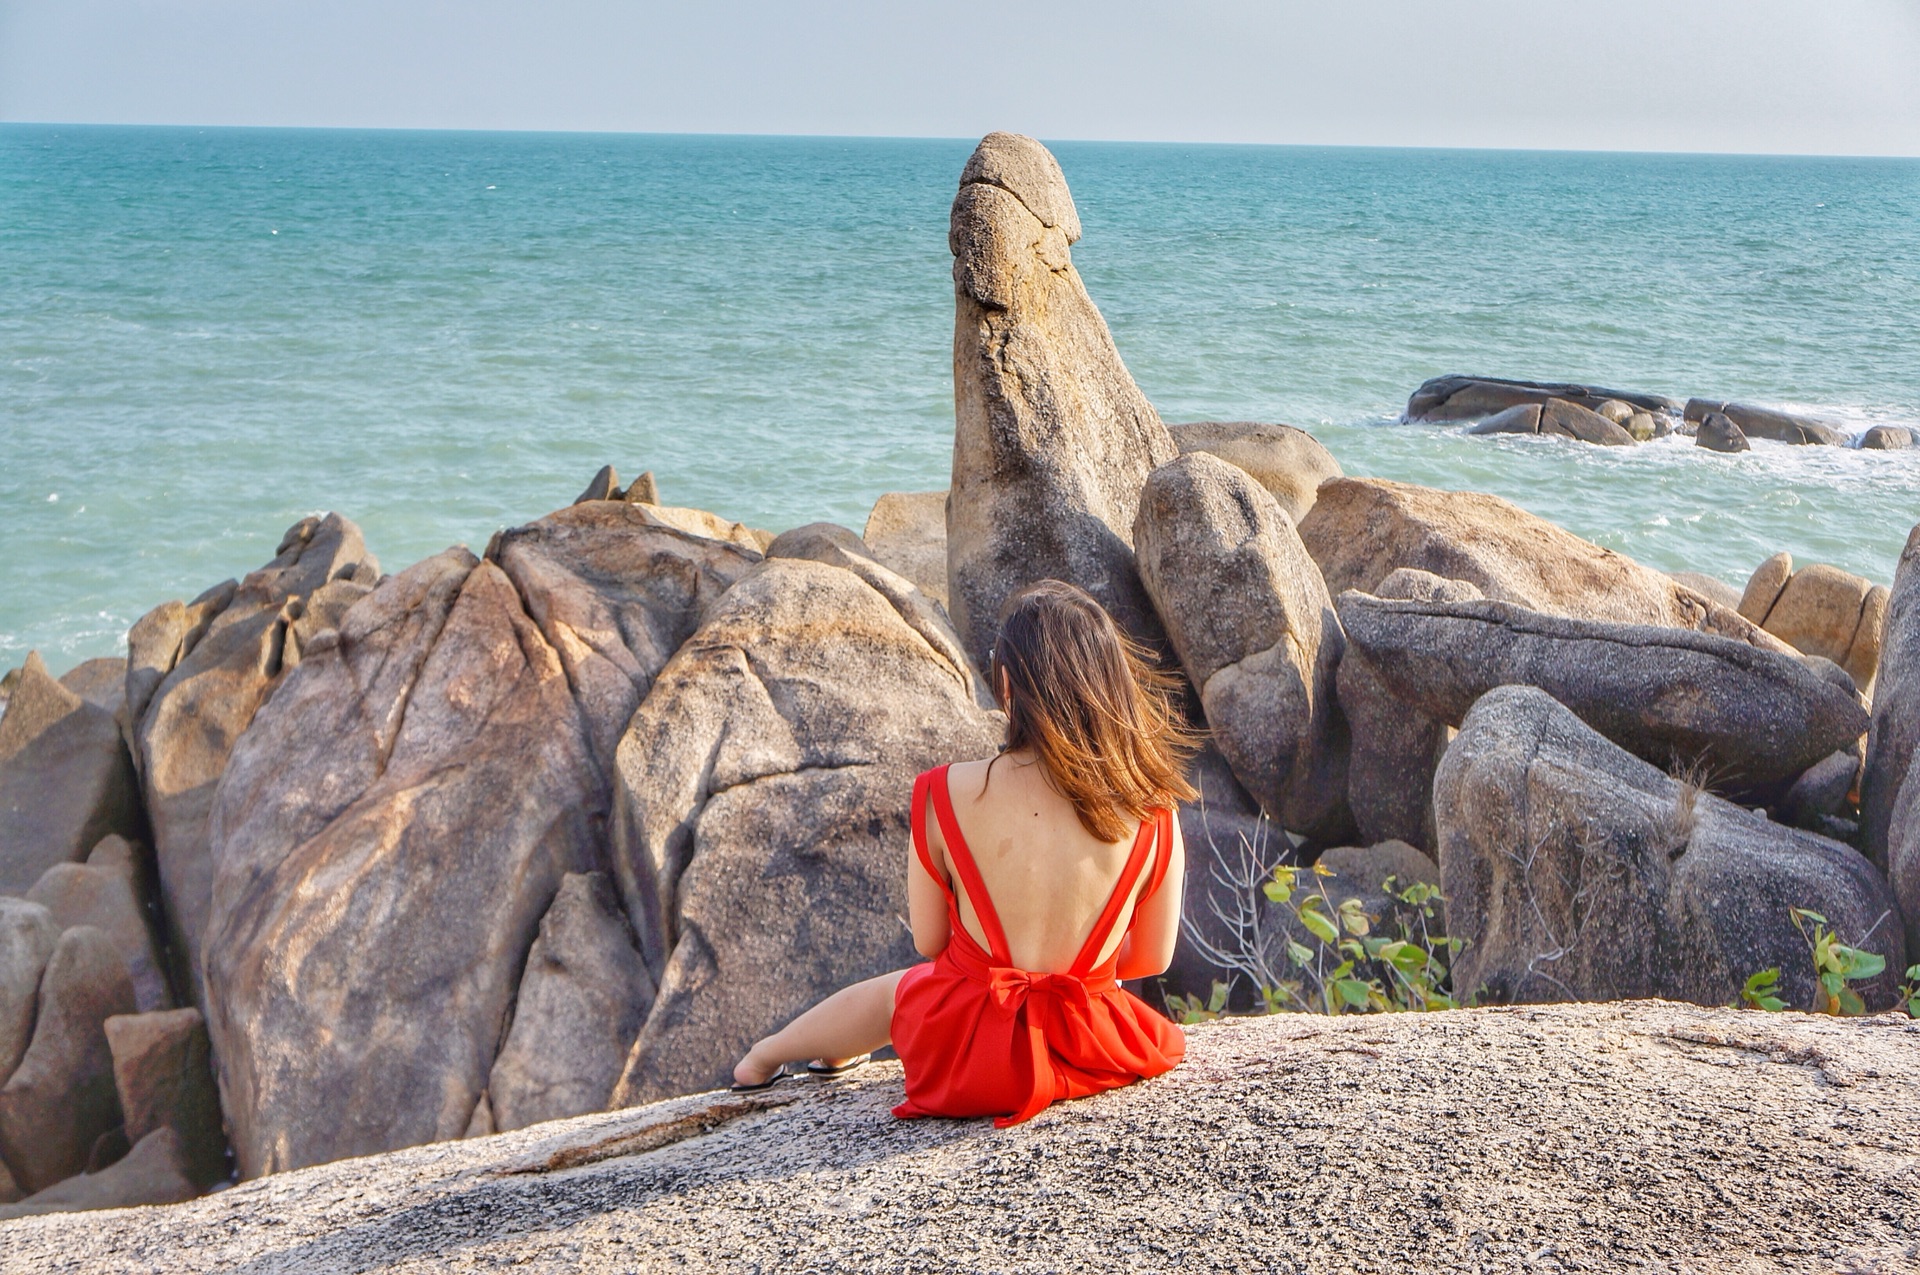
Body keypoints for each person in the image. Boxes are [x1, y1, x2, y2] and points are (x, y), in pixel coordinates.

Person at [731, 578, 1198, 1126]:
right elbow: (1151, 960)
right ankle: (823, 1051)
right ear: (1113, 685)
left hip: (975, 1059)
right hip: (1092, 1049)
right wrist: (1070, 974)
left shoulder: (942, 791)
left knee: (900, 992)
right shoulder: (1154, 810)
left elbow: (931, 943)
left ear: (1005, 685)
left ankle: (762, 1059)